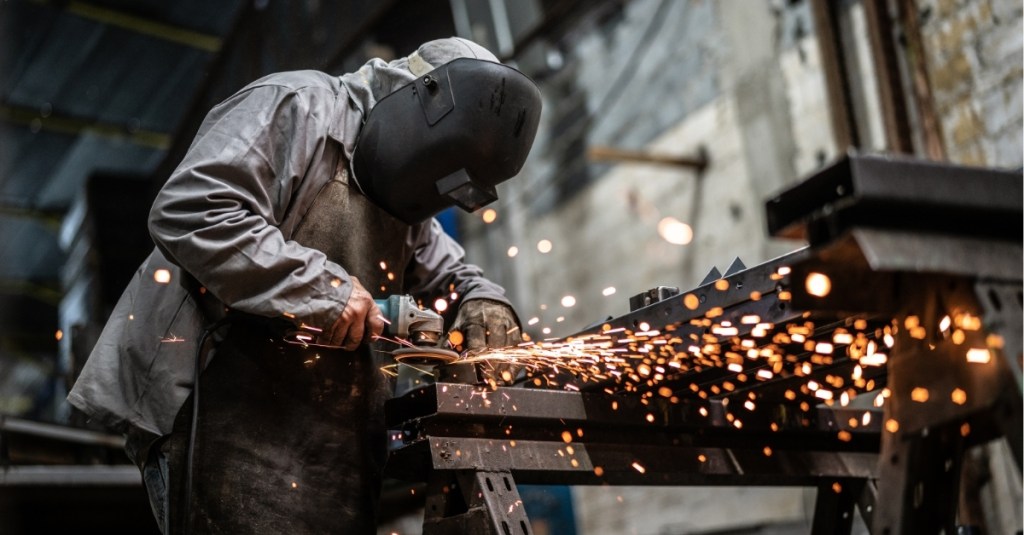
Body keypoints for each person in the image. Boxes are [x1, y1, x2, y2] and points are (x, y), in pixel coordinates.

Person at [67, 37, 541, 533]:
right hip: (223, 414)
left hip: (335, 444)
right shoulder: (298, 107)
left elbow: (454, 275)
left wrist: (485, 302)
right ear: (419, 102)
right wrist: (324, 291)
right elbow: (192, 209)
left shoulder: (408, 196)